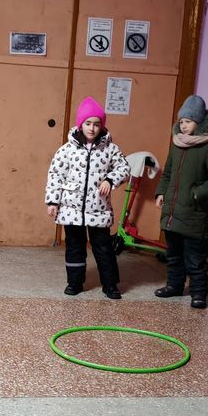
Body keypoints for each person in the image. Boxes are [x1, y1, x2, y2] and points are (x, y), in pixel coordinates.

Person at [45, 96, 130, 299]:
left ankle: (110, 285)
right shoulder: (67, 150)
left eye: (97, 124)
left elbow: (124, 168)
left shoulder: (110, 149)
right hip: (71, 209)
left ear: (102, 126)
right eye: (88, 123)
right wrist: (53, 201)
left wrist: (109, 179)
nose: (92, 128)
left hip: (98, 209)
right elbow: (55, 175)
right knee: (75, 247)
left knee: (103, 248)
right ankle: (74, 283)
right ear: (80, 124)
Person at [154, 94, 208, 309]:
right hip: (172, 211)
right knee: (173, 254)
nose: (184, 126)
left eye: (188, 121)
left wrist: (198, 193)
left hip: (193, 212)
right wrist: (161, 193)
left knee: (194, 257)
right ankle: (174, 286)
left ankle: (199, 292)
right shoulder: (177, 144)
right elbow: (168, 173)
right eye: (182, 121)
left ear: (199, 122)